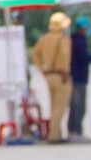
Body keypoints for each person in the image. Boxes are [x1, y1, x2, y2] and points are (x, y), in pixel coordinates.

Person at [30, 12, 72, 144]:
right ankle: (54, 135)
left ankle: (57, 134)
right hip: (61, 75)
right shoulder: (64, 39)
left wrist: (42, 68)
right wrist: (65, 71)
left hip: (49, 75)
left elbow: (35, 54)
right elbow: (65, 56)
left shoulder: (44, 38)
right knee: (60, 107)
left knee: (53, 105)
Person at [67, 15, 91, 141]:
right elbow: (84, 58)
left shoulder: (73, 39)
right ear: (82, 28)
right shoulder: (79, 41)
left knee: (74, 106)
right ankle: (77, 132)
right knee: (79, 106)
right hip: (78, 78)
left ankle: (72, 130)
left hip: (75, 76)